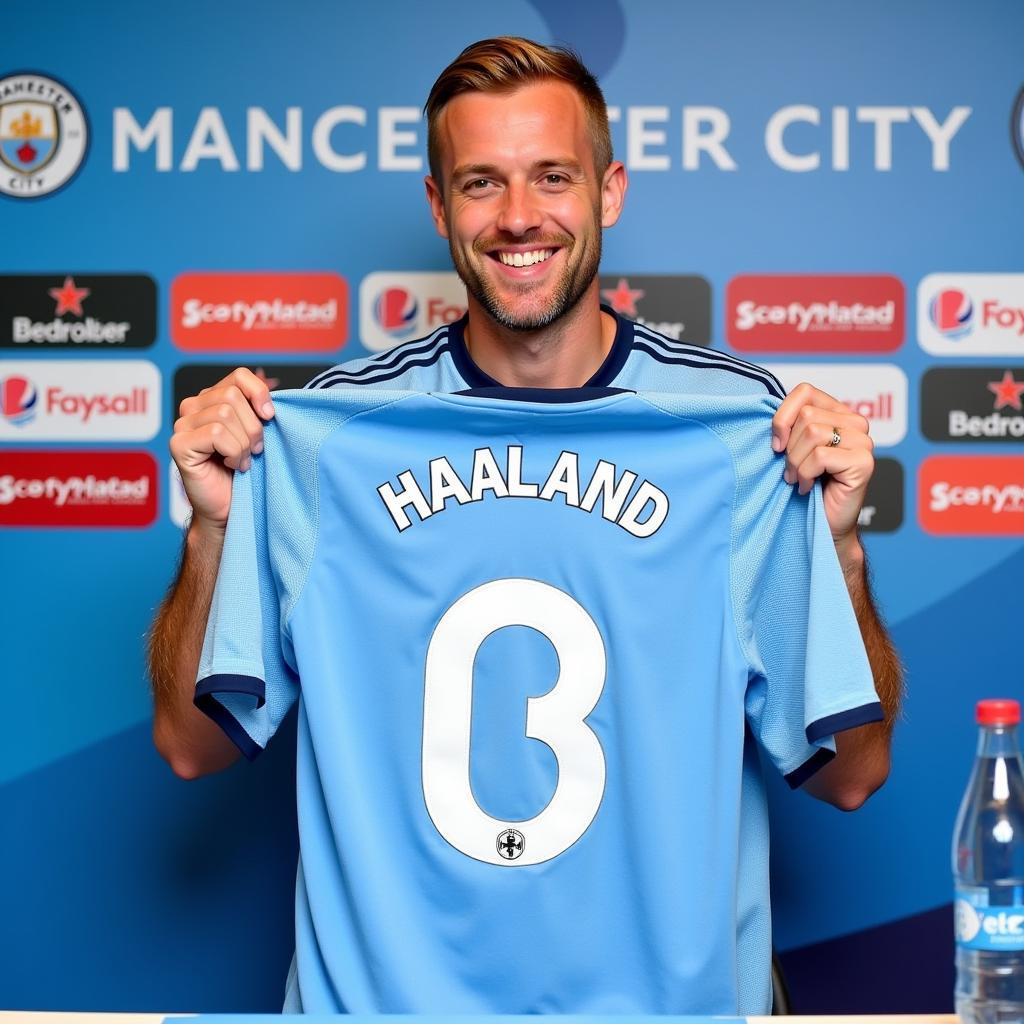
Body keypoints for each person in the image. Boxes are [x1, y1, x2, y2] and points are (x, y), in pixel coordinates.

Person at [149, 36, 902, 1013]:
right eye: (479, 183)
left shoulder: (740, 436)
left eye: (551, 176)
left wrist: (836, 547)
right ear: (437, 205)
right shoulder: (330, 444)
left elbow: (854, 774)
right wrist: (213, 530)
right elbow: (189, 745)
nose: (517, 218)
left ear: (608, 189)